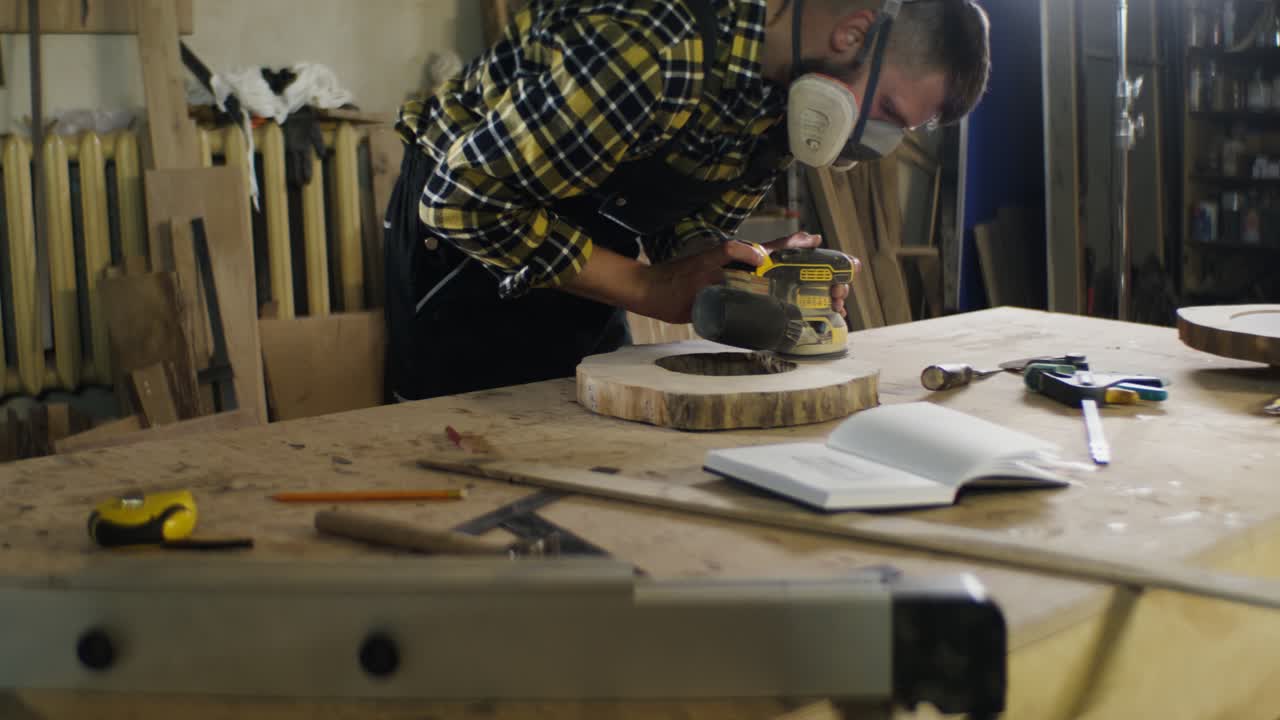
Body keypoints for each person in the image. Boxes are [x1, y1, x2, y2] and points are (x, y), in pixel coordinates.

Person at [383, 0, 991, 402]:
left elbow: (683, 227)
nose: (860, 136)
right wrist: (650, 289)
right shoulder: (660, 46)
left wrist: (753, 277)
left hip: (581, 240)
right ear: (854, 32)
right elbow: (463, 201)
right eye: (883, 109)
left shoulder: (791, 99)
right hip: (463, 244)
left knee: (584, 438)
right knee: (457, 457)